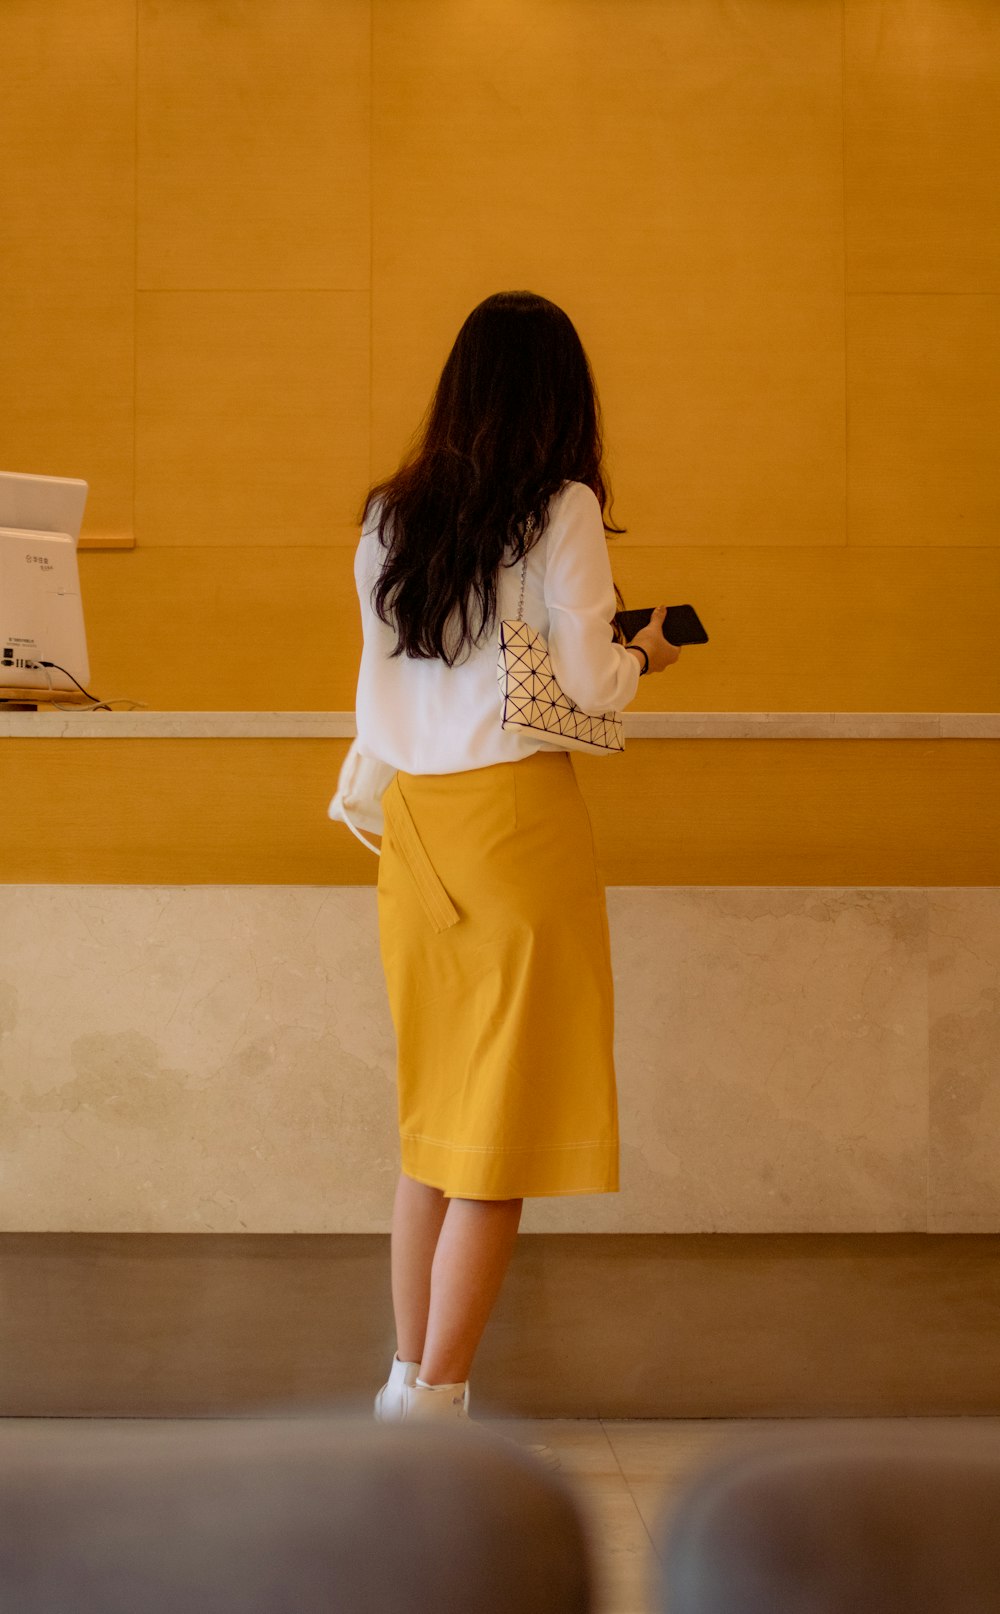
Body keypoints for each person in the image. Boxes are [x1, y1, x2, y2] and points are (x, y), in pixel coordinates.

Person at [355, 291, 681, 1462]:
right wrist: (647, 651)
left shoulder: (389, 517)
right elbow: (587, 683)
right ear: (558, 396)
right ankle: (438, 1406)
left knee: (433, 1125)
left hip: (413, 831)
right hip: (514, 828)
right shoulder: (564, 507)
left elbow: (386, 688)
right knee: (498, 1131)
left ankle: (408, 1384)